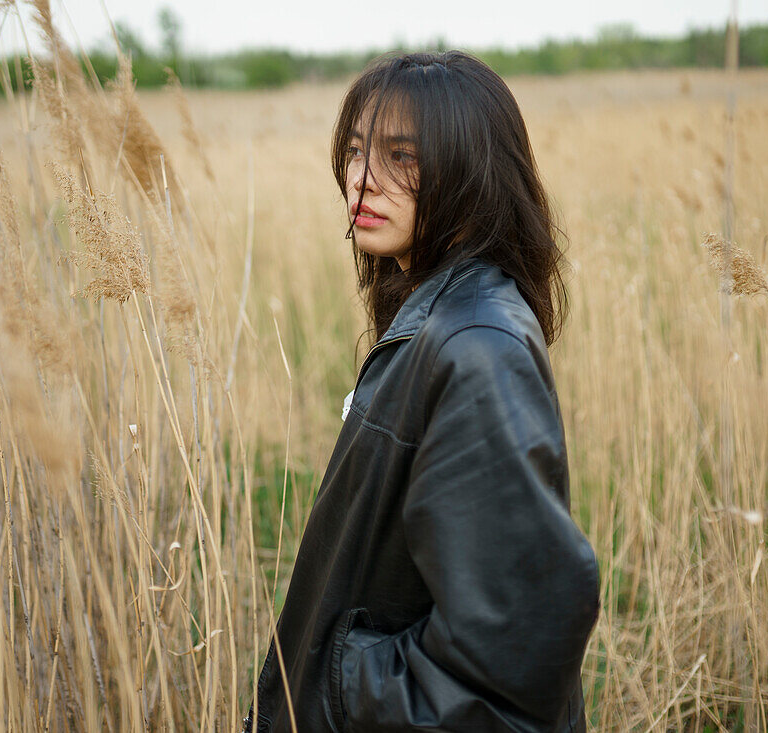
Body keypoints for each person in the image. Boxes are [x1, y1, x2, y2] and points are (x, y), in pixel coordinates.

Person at [245, 51, 600, 733]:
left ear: (473, 168)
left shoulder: (476, 348)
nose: (361, 178)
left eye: (400, 155)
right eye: (354, 152)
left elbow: (511, 657)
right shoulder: (440, 315)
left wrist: (339, 686)